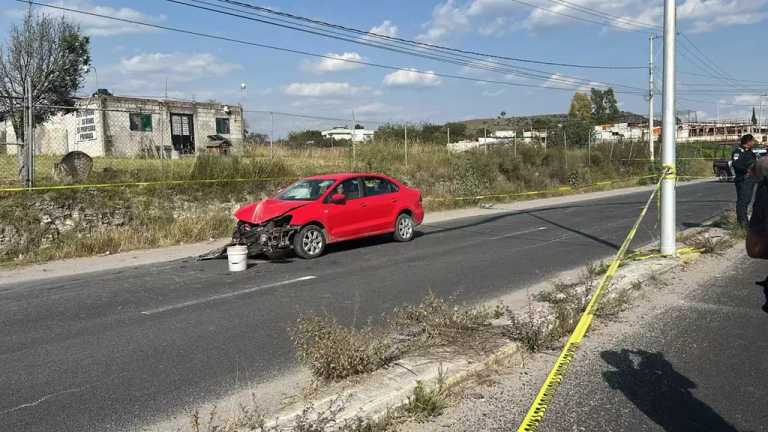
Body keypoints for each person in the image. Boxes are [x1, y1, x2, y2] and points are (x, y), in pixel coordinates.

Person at [732, 134, 757, 226]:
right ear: (748, 142)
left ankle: (744, 222)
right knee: (742, 201)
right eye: (752, 141)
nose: (754, 142)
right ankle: (743, 223)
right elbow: (736, 164)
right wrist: (746, 170)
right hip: (742, 179)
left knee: (747, 201)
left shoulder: (751, 153)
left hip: (750, 180)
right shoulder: (738, 152)